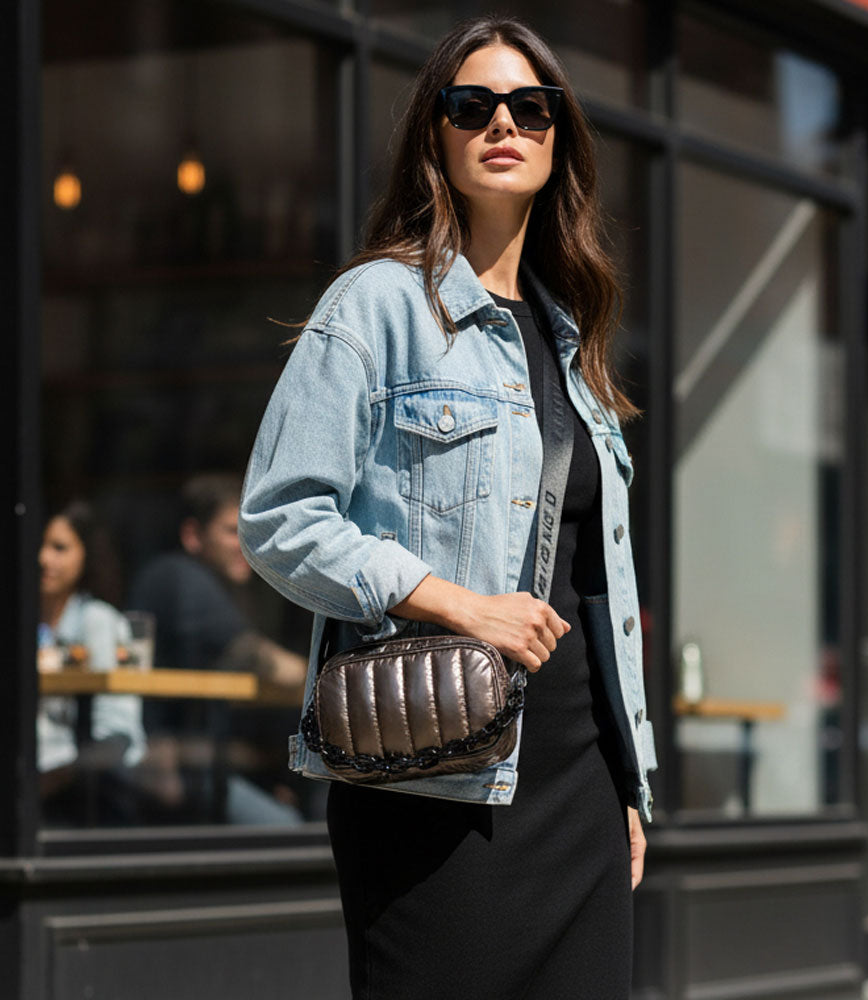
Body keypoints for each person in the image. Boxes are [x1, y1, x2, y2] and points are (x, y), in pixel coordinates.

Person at [239, 15, 657, 999]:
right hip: (435, 778)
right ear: (436, 136)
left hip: (579, 788)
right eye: (470, 106)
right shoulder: (378, 306)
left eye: (530, 106)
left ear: (559, 140)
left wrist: (629, 787)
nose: (500, 123)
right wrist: (459, 604)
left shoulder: (572, 341)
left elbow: (595, 590)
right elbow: (280, 516)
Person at [129, 473, 306, 824]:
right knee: (292, 832)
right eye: (230, 530)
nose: (245, 541)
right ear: (193, 536)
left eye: (251, 528)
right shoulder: (179, 577)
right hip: (166, 770)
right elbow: (267, 663)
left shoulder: (229, 588)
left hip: (208, 764)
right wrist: (327, 677)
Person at [37, 501, 147, 825]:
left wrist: (57, 776)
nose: (44, 559)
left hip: (82, 794)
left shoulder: (98, 620)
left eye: (59, 548)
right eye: (39, 546)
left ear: (86, 555)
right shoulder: (22, 617)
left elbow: (117, 736)